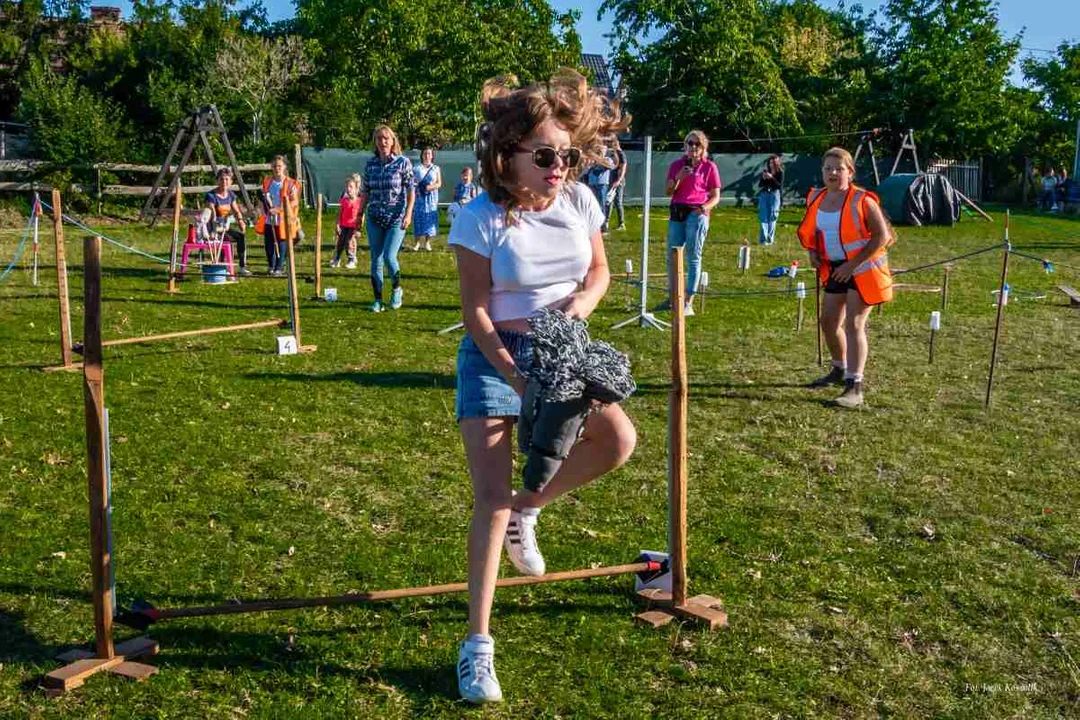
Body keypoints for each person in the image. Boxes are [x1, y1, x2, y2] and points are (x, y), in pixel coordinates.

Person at [448, 70, 635, 705]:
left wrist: (578, 311)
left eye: (567, 155)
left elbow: (601, 270)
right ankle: (477, 647)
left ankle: (535, 507)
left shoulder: (581, 202)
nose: (559, 167)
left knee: (617, 441)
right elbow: (475, 311)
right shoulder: (479, 218)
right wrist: (514, 374)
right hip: (495, 354)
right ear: (509, 157)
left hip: (565, 346)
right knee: (492, 499)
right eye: (546, 156)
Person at [798, 147, 894, 409]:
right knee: (828, 322)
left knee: (854, 323)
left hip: (864, 269)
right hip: (835, 268)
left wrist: (852, 265)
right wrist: (813, 253)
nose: (832, 173)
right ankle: (838, 369)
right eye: (827, 168)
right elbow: (815, 232)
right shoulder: (816, 198)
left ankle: (855, 386)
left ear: (850, 173)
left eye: (839, 169)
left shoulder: (862, 200)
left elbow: (881, 237)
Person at [661, 130, 721, 315]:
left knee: (693, 257)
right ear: (685, 146)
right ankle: (673, 298)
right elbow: (668, 191)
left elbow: (716, 196)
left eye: (697, 144)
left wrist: (703, 208)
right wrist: (679, 177)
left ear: (703, 148)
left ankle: (688, 300)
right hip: (678, 210)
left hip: (697, 213)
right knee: (673, 255)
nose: (693, 147)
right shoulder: (676, 165)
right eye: (690, 143)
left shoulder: (709, 167)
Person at [355, 125, 415, 311]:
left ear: (393, 141)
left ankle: (397, 288)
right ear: (375, 142)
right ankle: (378, 300)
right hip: (375, 216)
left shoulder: (402, 163)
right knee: (376, 259)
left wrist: (409, 213)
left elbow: (411, 189)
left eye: (386, 138)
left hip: (396, 217)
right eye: (379, 138)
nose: (383, 142)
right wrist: (359, 214)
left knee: (390, 256)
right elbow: (365, 191)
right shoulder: (371, 164)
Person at [258, 155, 301, 277]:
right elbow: (262, 198)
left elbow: (294, 201)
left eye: (279, 166)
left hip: (283, 218)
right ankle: (271, 266)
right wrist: (263, 211)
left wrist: (278, 209)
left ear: (285, 167)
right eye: (275, 166)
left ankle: (279, 267)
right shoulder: (267, 181)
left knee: (282, 241)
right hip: (269, 217)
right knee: (269, 243)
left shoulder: (292, 184)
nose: (277, 168)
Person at [203, 168, 251, 276]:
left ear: (231, 182)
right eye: (221, 179)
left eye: (227, 179)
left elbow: (236, 210)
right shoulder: (211, 196)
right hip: (212, 228)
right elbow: (212, 214)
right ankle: (223, 266)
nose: (224, 182)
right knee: (226, 239)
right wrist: (215, 230)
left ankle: (242, 266)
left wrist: (240, 221)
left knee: (240, 237)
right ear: (217, 181)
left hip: (224, 227)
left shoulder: (231, 195)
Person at [412, 146, 442, 251]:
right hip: (419, 197)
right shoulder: (416, 167)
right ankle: (417, 243)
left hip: (431, 198)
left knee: (430, 219)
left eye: (429, 153)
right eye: (425, 153)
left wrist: (430, 187)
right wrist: (417, 187)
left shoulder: (436, 168)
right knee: (418, 218)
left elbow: (439, 183)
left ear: (432, 155)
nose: (427, 155)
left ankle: (427, 243)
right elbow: (412, 181)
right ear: (422, 155)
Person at [584, 139, 616, 233]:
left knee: (601, 204)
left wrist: (600, 160)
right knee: (592, 204)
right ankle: (593, 225)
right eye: (599, 150)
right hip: (592, 183)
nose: (600, 152)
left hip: (602, 184)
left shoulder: (607, 159)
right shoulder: (592, 160)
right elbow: (586, 170)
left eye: (602, 151)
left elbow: (611, 166)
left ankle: (603, 226)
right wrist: (593, 162)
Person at [331, 174, 362, 269]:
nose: (348, 189)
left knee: (349, 243)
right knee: (340, 243)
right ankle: (337, 260)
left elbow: (361, 217)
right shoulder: (344, 200)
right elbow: (339, 213)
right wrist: (337, 224)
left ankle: (351, 260)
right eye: (347, 187)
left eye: (351, 187)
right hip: (343, 226)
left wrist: (359, 229)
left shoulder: (359, 201)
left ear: (356, 188)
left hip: (353, 227)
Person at [757, 154, 783, 245]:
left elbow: (779, 186)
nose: (771, 164)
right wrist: (763, 178)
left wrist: (771, 177)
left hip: (774, 194)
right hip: (764, 194)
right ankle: (763, 240)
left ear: (777, 163)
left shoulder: (780, 173)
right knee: (763, 216)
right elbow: (760, 185)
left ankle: (770, 239)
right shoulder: (766, 171)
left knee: (772, 216)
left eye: (773, 162)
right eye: (770, 162)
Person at [608, 137, 628, 231]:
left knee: (618, 202)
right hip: (612, 180)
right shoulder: (614, 154)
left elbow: (623, 168)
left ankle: (622, 223)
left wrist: (618, 181)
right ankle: (606, 221)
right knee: (609, 201)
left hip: (618, 182)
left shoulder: (621, 154)